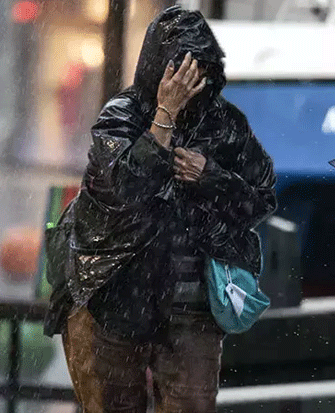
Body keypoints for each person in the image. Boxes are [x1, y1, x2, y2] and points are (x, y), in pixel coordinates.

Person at [45, 6, 276, 412]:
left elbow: (259, 199)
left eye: (197, 72)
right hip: (115, 297)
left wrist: (211, 177)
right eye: (178, 71)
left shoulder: (224, 124)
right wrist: (163, 119)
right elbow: (127, 189)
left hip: (191, 307)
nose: (188, 83)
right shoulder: (121, 116)